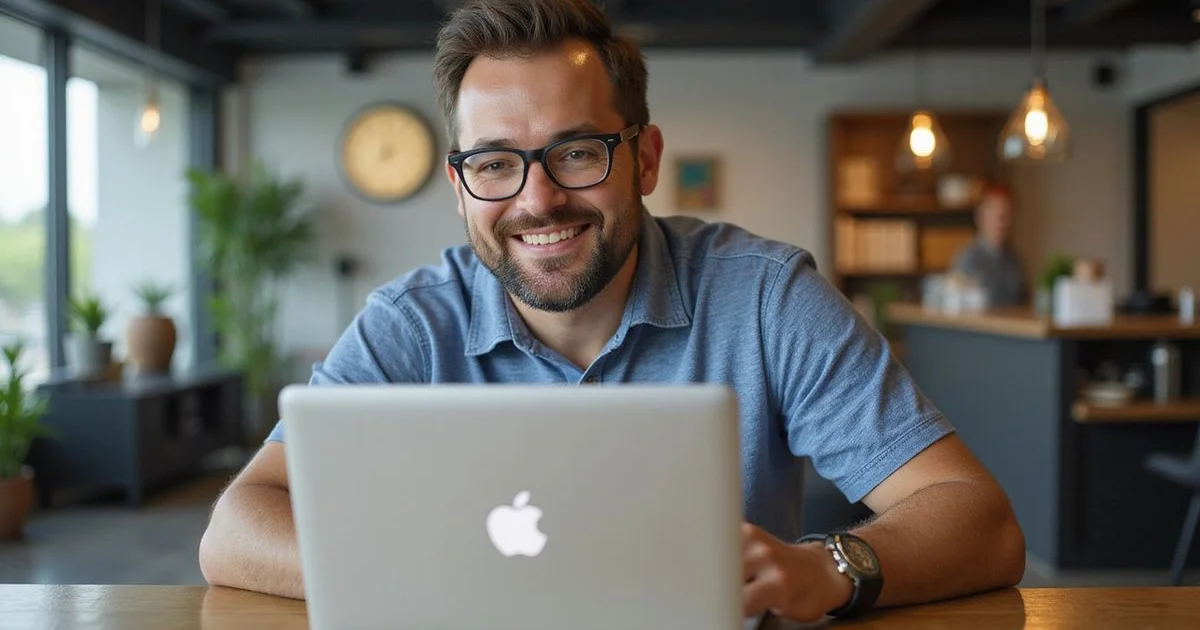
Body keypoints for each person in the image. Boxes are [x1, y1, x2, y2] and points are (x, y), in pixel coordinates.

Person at [199, 0, 1025, 622]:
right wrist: (425, 573)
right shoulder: (412, 322)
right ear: (460, 188)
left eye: (577, 151)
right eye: (495, 164)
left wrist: (830, 569)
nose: (538, 198)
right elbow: (233, 530)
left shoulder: (767, 297)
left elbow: (980, 522)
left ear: (646, 158)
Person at [951, 184, 1029, 307]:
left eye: (1006, 216)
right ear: (980, 216)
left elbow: (1024, 300)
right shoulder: (968, 259)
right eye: (996, 216)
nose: (1002, 223)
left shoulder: (1014, 259)